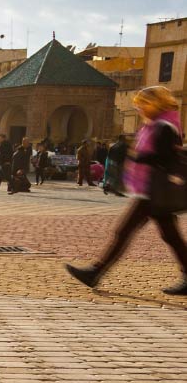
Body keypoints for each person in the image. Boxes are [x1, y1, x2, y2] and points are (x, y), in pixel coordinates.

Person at [67, 86, 187, 295]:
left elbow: (166, 158)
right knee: (170, 236)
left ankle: (95, 272)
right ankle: (95, 272)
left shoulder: (164, 127)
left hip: (154, 190)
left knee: (124, 231)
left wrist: (141, 157)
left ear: (154, 104)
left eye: (143, 104)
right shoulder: (154, 126)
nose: (139, 109)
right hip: (150, 189)